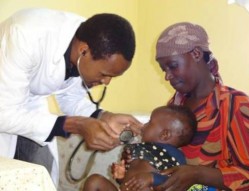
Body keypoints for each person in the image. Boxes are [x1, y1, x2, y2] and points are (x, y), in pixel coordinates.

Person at [0, 8, 143, 186]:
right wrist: (74, 124)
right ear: (84, 51)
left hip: (29, 106)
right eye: (105, 74)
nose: (107, 82)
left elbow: (70, 97)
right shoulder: (24, 35)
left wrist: (103, 117)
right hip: (4, 107)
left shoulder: (87, 41)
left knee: (39, 176)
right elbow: (4, 114)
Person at [138, 22, 249, 191]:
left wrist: (197, 174)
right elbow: (162, 158)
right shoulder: (174, 106)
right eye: (163, 69)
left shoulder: (234, 105)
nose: (167, 76)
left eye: (172, 66)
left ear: (196, 54)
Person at [83, 105, 215, 191]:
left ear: (165, 135)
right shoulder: (139, 148)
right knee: (94, 181)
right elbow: (131, 180)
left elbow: (175, 182)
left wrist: (152, 178)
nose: (144, 125)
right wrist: (121, 176)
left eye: (150, 122)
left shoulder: (174, 155)